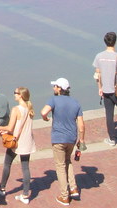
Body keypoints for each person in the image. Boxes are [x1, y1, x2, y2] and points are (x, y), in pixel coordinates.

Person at [41, 78, 84, 206]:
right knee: (68, 161)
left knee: (60, 166)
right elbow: (81, 125)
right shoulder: (76, 103)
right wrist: (81, 140)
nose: (53, 88)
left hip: (58, 138)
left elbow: (43, 112)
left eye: (55, 86)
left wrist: (45, 118)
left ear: (60, 88)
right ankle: (73, 187)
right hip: (72, 138)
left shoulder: (53, 100)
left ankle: (64, 196)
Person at [0, 87, 36, 205]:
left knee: (7, 163)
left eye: (15, 93)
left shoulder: (16, 109)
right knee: (25, 168)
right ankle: (25, 194)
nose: (14, 95)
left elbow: (10, 128)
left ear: (20, 95)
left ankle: (2, 187)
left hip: (17, 143)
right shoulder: (30, 108)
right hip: (27, 141)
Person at [93, 31, 117, 145]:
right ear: (115, 42)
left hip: (106, 91)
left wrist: (99, 87)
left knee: (109, 115)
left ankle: (112, 139)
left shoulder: (99, 56)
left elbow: (97, 75)